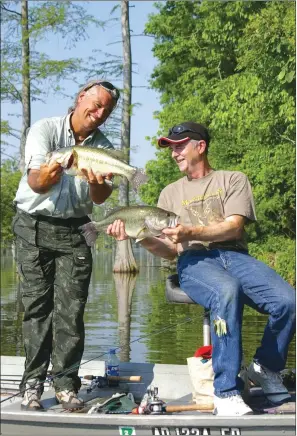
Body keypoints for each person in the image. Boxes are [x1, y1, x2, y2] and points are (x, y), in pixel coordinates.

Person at [106, 121, 296, 416]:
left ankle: (265, 369)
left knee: (288, 301)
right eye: (171, 148)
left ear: (201, 146)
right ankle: (226, 392)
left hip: (235, 257)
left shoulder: (233, 179)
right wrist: (137, 238)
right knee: (226, 290)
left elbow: (233, 228)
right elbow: (170, 249)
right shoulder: (169, 194)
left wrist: (191, 231)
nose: (174, 153)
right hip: (193, 262)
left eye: (179, 146)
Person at [13, 80, 120, 411]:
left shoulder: (103, 147)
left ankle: (65, 386)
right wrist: (57, 169)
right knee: (36, 308)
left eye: (107, 110)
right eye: (96, 104)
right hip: (33, 224)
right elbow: (36, 182)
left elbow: (100, 197)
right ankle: (32, 385)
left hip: (76, 228)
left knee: (72, 312)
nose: (99, 113)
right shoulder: (45, 130)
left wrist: (94, 180)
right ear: (80, 98)